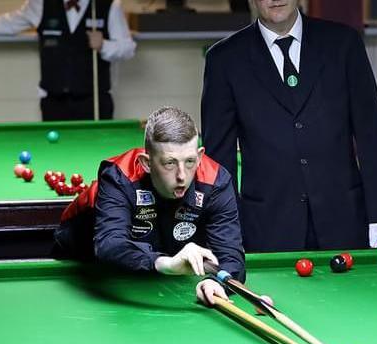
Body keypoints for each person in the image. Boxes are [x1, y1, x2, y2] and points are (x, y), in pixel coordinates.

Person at [201, 0, 377, 252]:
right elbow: (219, 159)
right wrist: (223, 230)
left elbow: (371, 133)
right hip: (266, 226)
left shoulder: (343, 44)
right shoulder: (224, 59)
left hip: (344, 219)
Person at [54, 107, 245, 306]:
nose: (182, 175)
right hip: (83, 256)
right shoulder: (119, 176)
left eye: (189, 161)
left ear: (199, 155)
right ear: (146, 163)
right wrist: (167, 264)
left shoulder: (216, 181)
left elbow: (230, 255)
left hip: (157, 253)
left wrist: (216, 284)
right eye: (170, 163)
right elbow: (110, 245)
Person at [0, 0, 136, 121]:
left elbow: (128, 49)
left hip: (94, 101)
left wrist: (105, 45)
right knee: (56, 164)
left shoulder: (108, 5)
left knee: (97, 165)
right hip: (53, 103)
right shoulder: (41, 4)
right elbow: (8, 22)